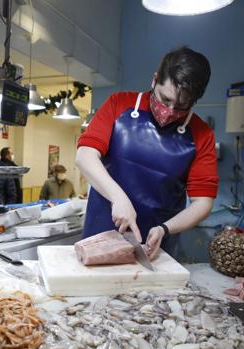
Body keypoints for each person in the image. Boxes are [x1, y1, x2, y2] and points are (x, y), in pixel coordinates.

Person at [76, 46, 218, 260]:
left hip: (156, 248)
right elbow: (85, 155)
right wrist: (118, 198)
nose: (170, 111)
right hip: (100, 234)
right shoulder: (118, 104)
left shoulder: (202, 134)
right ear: (154, 80)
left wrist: (164, 229)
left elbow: (203, 203)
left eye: (180, 106)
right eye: (165, 99)